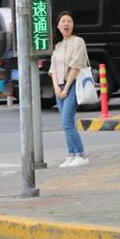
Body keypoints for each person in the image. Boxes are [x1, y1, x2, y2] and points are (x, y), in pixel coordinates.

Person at [47, 11, 89, 168]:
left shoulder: (78, 42)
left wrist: (66, 88)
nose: (66, 24)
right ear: (58, 26)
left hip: (72, 86)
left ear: (73, 25)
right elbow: (53, 69)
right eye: (63, 21)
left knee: (67, 122)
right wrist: (57, 87)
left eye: (69, 21)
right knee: (65, 123)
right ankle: (71, 154)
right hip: (60, 88)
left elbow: (76, 67)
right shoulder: (57, 46)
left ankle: (81, 154)